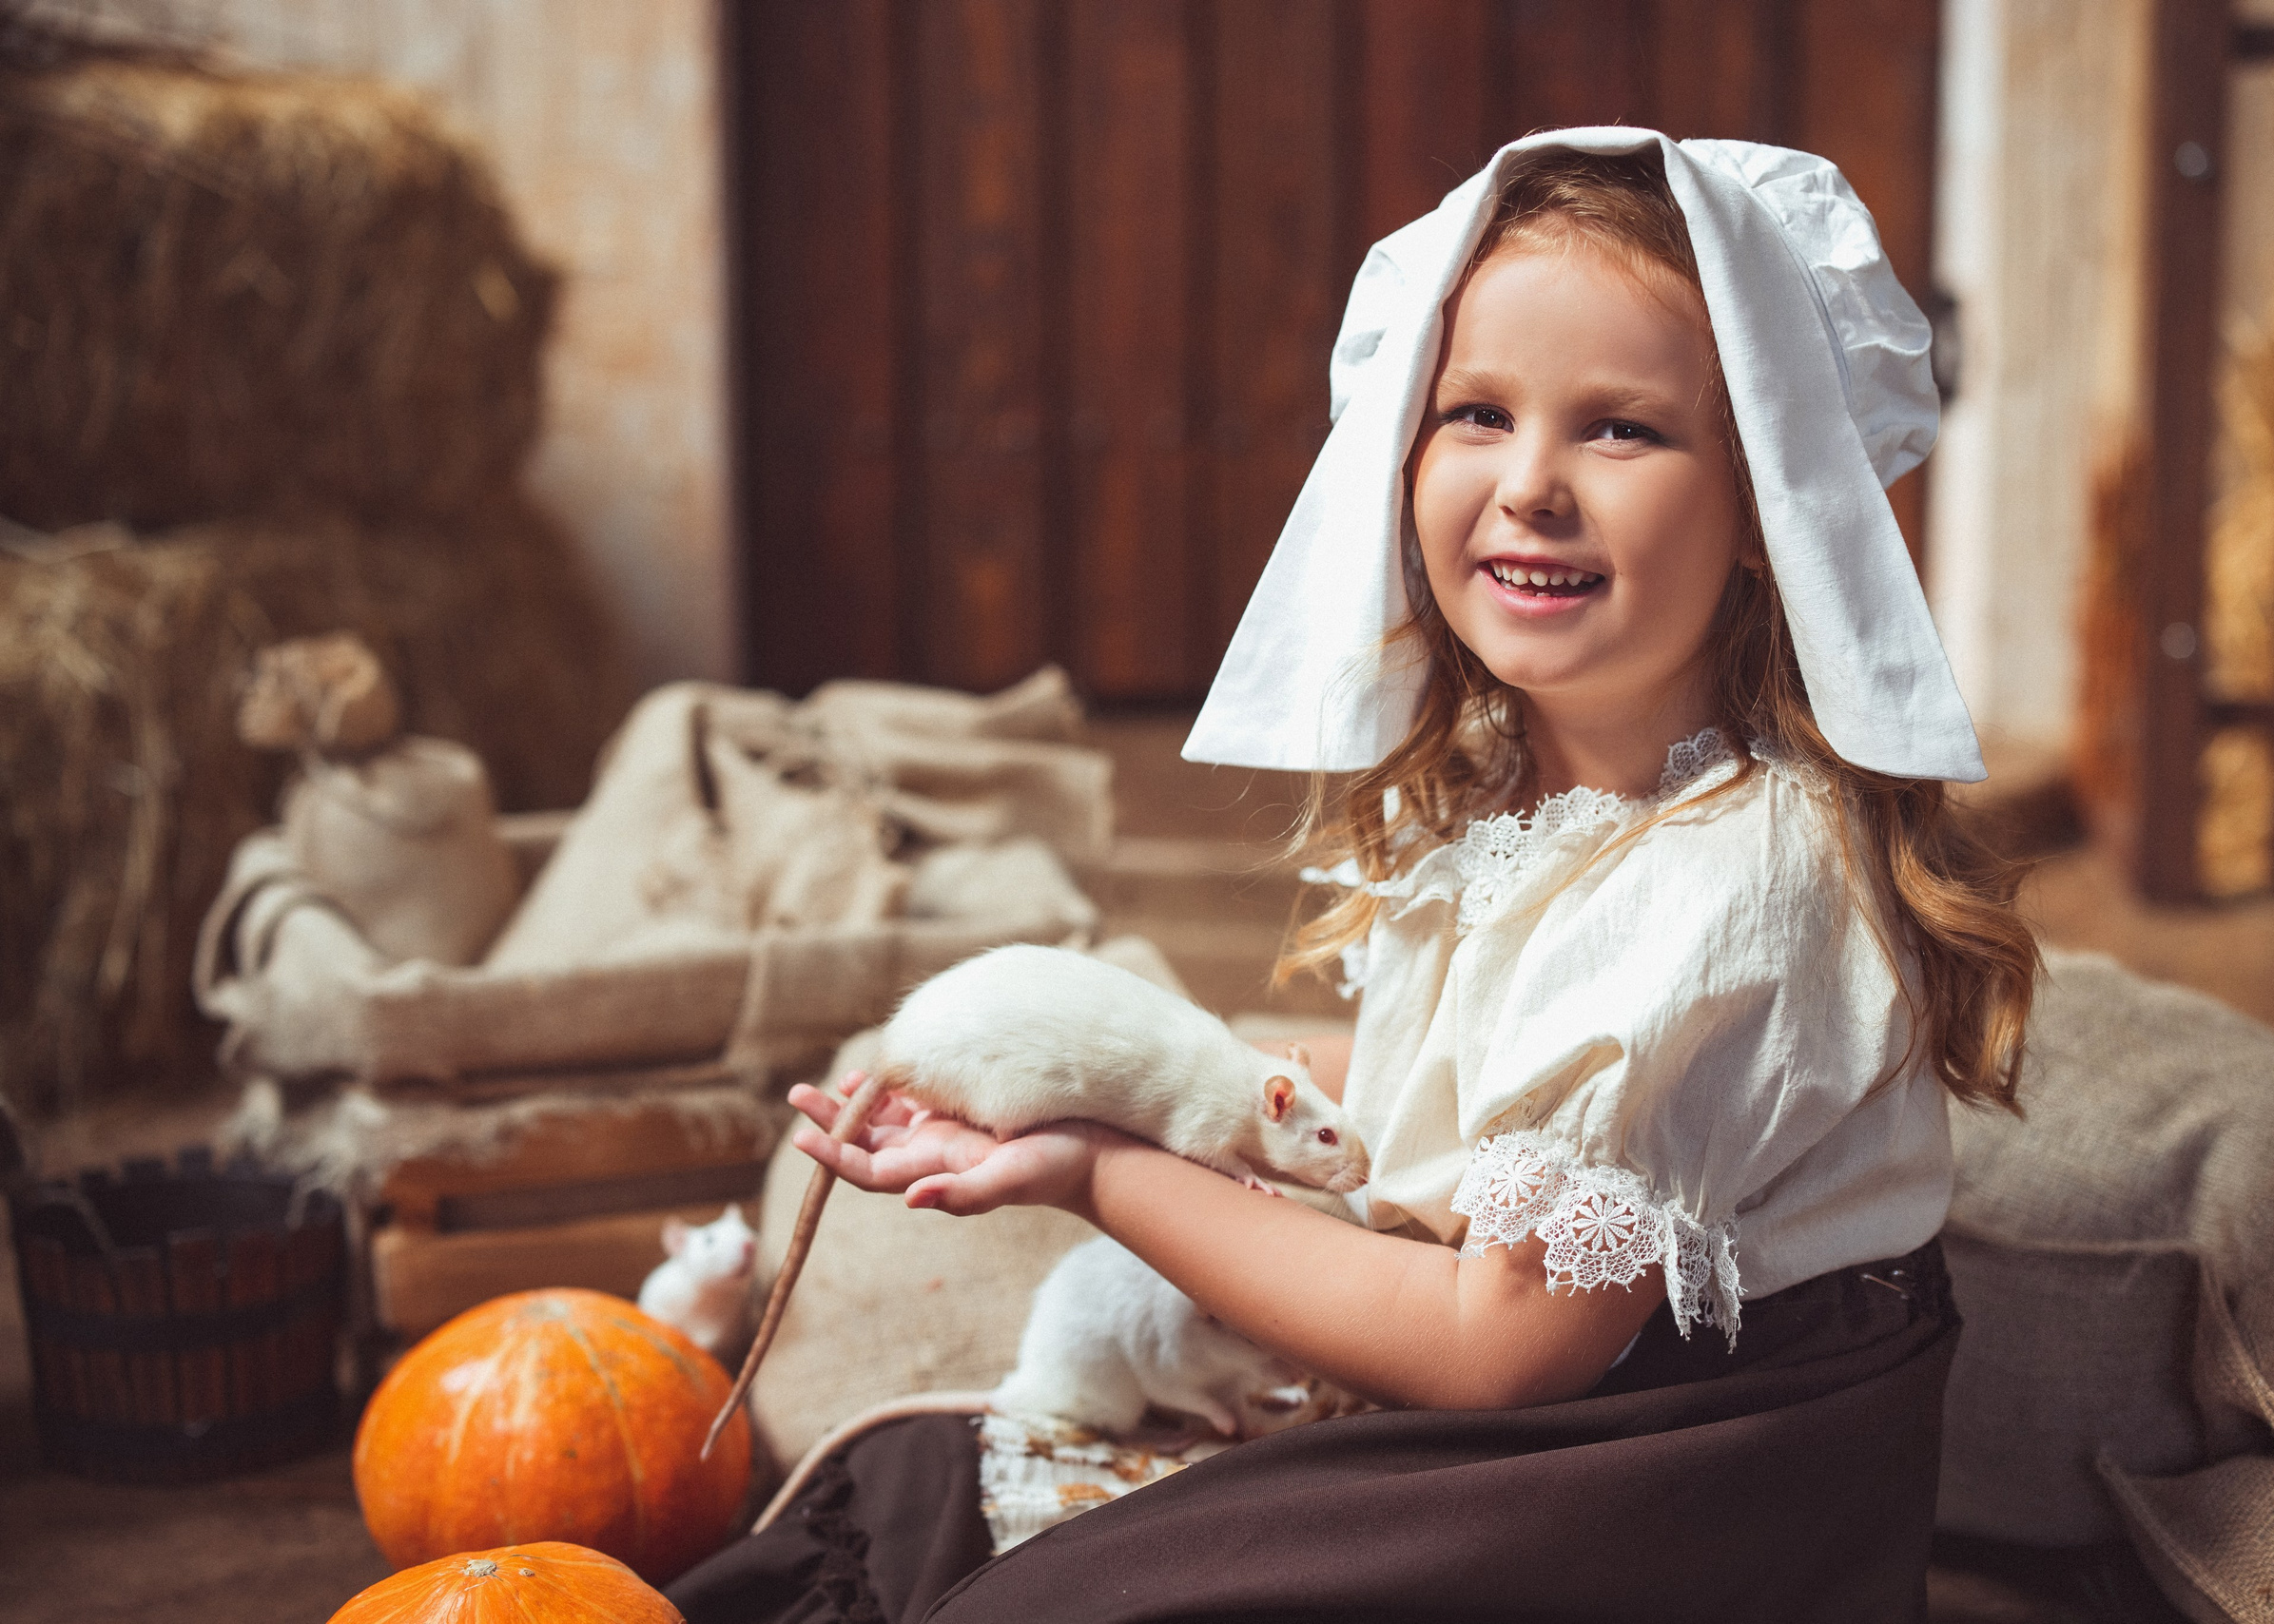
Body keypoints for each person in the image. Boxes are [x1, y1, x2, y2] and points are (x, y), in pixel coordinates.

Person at [669, 128, 2038, 1624]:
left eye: (1621, 430)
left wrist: (1102, 1174)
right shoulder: (1521, 782)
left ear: (1774, 500)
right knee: (941, 1493)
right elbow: (1445, 1088)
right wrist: (1148, 1084)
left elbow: (1494, 1347)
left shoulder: (1727, 883)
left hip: (1683, 1486)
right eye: (1476, 414)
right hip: (1557, 1411)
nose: (1531, 484)